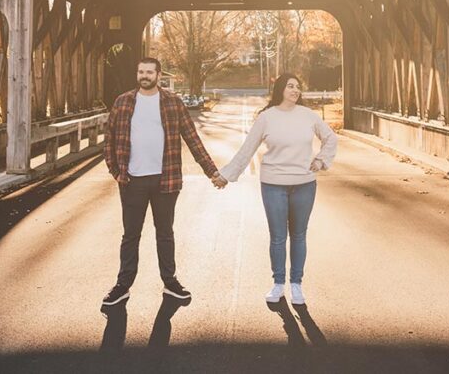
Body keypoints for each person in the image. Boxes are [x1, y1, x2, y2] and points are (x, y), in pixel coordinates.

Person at [102, 57, 227, 307]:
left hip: (165, 181)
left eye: (149, 72)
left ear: (159, 75)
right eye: (141, 71)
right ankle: (123, 286)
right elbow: (110, 138)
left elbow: (193, 139)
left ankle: (170, 283)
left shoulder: (172, 103)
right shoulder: (124, 101)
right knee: (130, 236)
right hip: (132, 180)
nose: (144, 75)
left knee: (165, 234)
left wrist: (212, 172)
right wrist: (115, 170)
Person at [218, 73, 337, 306]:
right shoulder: (267, 117)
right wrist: (226, 175)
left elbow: (331, 138)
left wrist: (321, 160)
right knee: (278, 237)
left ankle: (296, 285)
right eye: (290, 86)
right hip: (273, 184)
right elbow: (247, 149)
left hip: (304, 184)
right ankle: (278, 284)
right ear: (281, 89)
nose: (295, 90)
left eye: (298, 87)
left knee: (299, 235)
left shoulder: (309, 116)